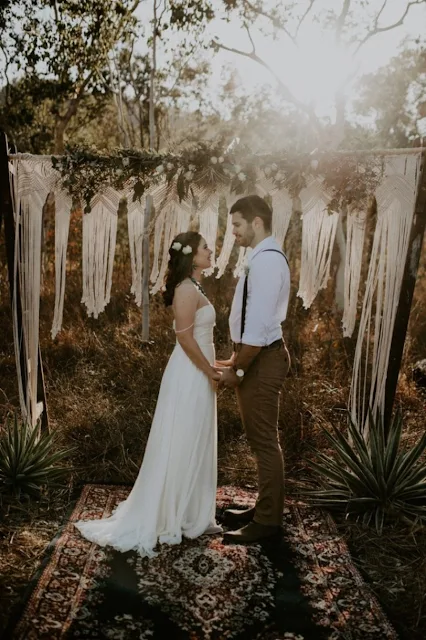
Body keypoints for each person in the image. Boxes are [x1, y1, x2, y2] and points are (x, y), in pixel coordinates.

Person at [74, 231, 222, 557]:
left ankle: (189, 511)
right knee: (181, 437)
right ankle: (171, 511)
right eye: (205, 248)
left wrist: (220, 362)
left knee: (195, 436)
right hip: (189, 374)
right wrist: (210, 369)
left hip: (200, 369)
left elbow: (201, 337)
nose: (211, 251)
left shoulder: (195, 287)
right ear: (191, 256)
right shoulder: (185, 290)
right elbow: (185, 340)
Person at [217, 194, 291, 545]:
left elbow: (260, 328)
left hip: (261, 360)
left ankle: (267, 522)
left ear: (256, 221)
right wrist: (235, 360)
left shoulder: (266, 262)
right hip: (254, 357)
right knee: (260, 440)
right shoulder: (260, 257)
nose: (233, 232)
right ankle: (264, 508)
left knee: (264, 442)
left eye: (236, 225)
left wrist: (239, 369)